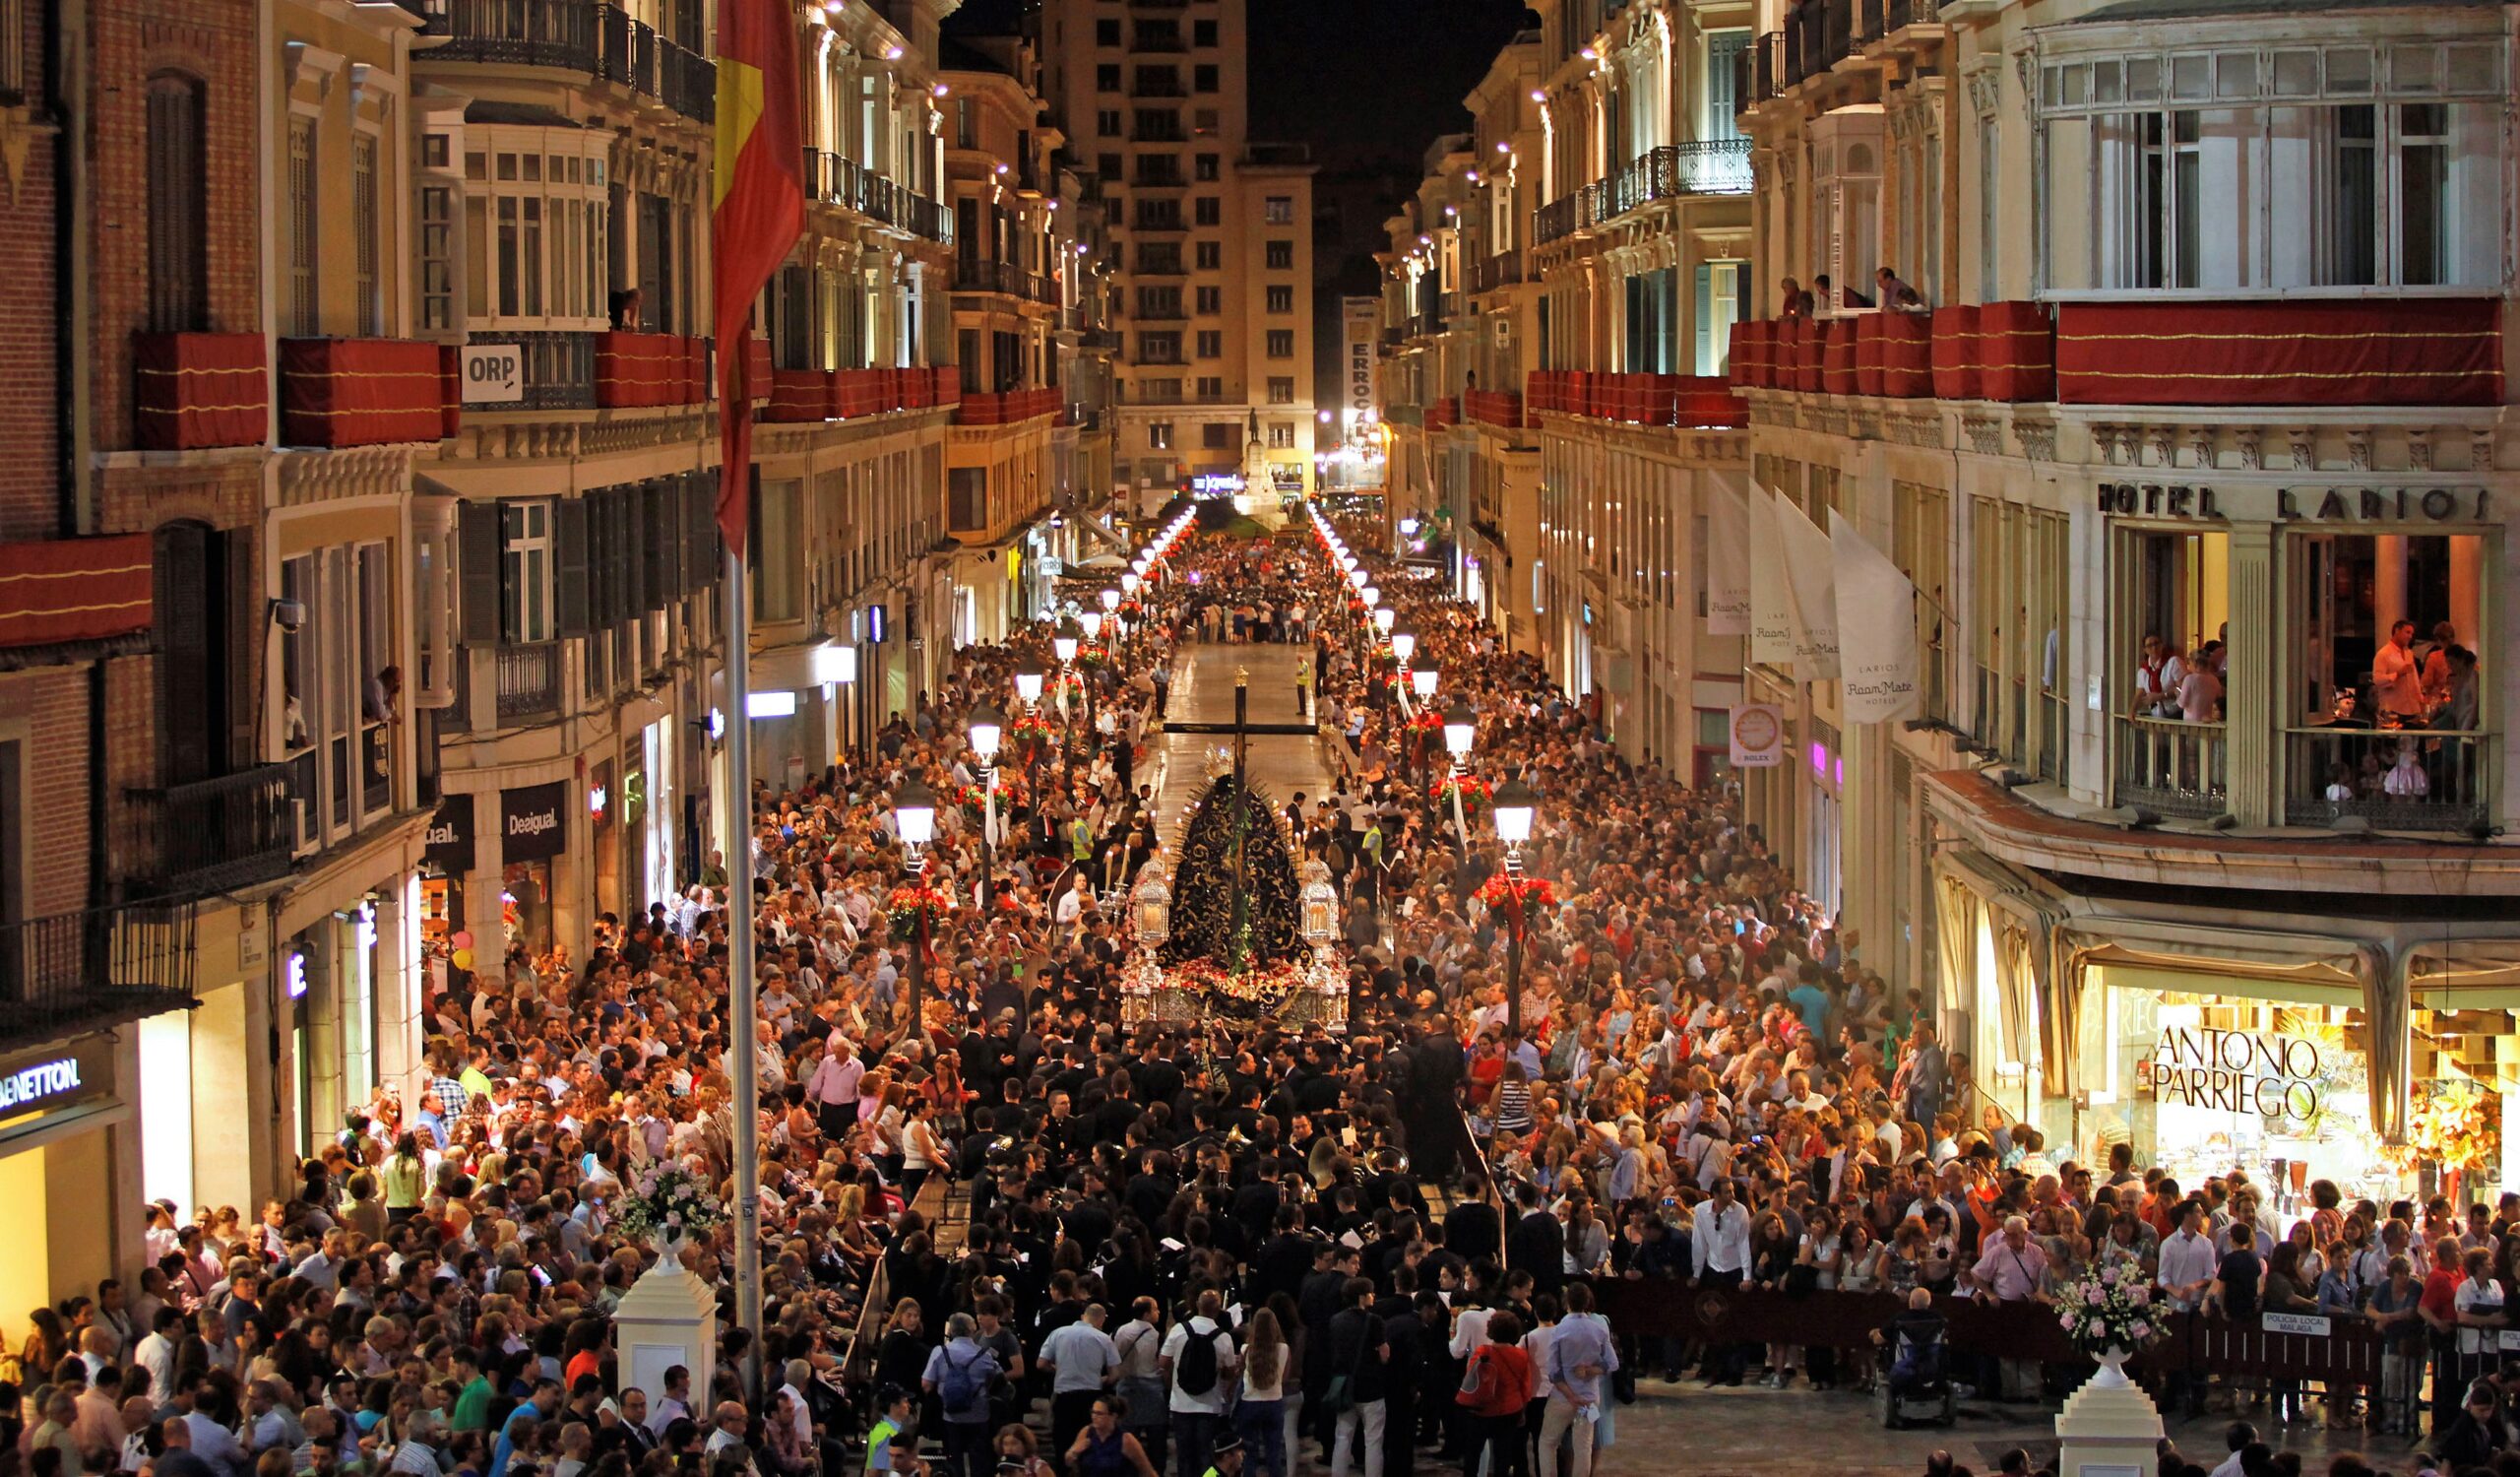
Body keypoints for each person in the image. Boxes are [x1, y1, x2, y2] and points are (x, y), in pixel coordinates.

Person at [1536, 1284, 1613, 1477]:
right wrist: (1591, 1370)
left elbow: (1554, 1372)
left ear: (1566, 1302)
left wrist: (1571, 1396)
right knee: (1584, 1446)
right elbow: (1612, 1363)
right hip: (1589, 1398)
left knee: (1547, 1442)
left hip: (1562, 1398)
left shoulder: (1560, 1330)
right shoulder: (1598, 1329)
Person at [923, 1314, 1002, 1477]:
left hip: (950, 1415)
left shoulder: (940, 1352)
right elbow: (998, 1379)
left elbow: (926, 1384)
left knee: (953, 1459)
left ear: (951, 1330)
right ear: (972, 1329)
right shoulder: (984, 1355)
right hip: (979, 1414)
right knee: (979, 1459)